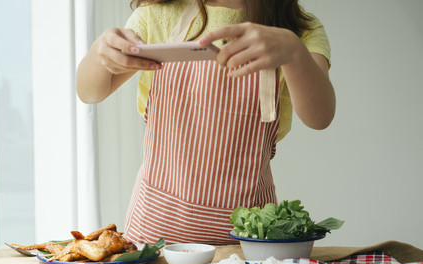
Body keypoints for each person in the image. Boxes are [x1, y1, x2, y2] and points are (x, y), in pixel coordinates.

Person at [76, 0, 335, 246]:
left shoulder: (299, 31)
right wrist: (100, 52)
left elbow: (320, 117)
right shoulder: (156, 16)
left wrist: (293, 51)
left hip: (247, 240)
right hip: (154, 238)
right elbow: (89, 92)